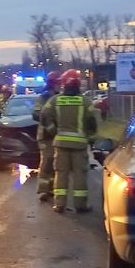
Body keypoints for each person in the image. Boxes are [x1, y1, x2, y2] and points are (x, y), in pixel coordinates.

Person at [41, 69, 98, 213]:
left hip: (61, 144)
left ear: (64, 84)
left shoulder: (55, 100)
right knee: (80, 174)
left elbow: (43, 115)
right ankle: (80, 205)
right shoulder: (85, 102)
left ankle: (59, 204)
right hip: (79, 145)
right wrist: (90, 138)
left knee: (61, 174)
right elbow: (92, 122)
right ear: (78, 84)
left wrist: (53, 130)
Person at [32, 71, 61, 201]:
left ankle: (53, 188)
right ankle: (44, 189)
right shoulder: (43, 97)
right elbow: (36, 114)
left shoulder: (60, 97)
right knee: (47, 162)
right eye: (58, 83)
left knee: (57, 163)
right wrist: (49, 119)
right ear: (52, 83)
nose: (60, 85)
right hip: (46, 135)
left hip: (57, 134)